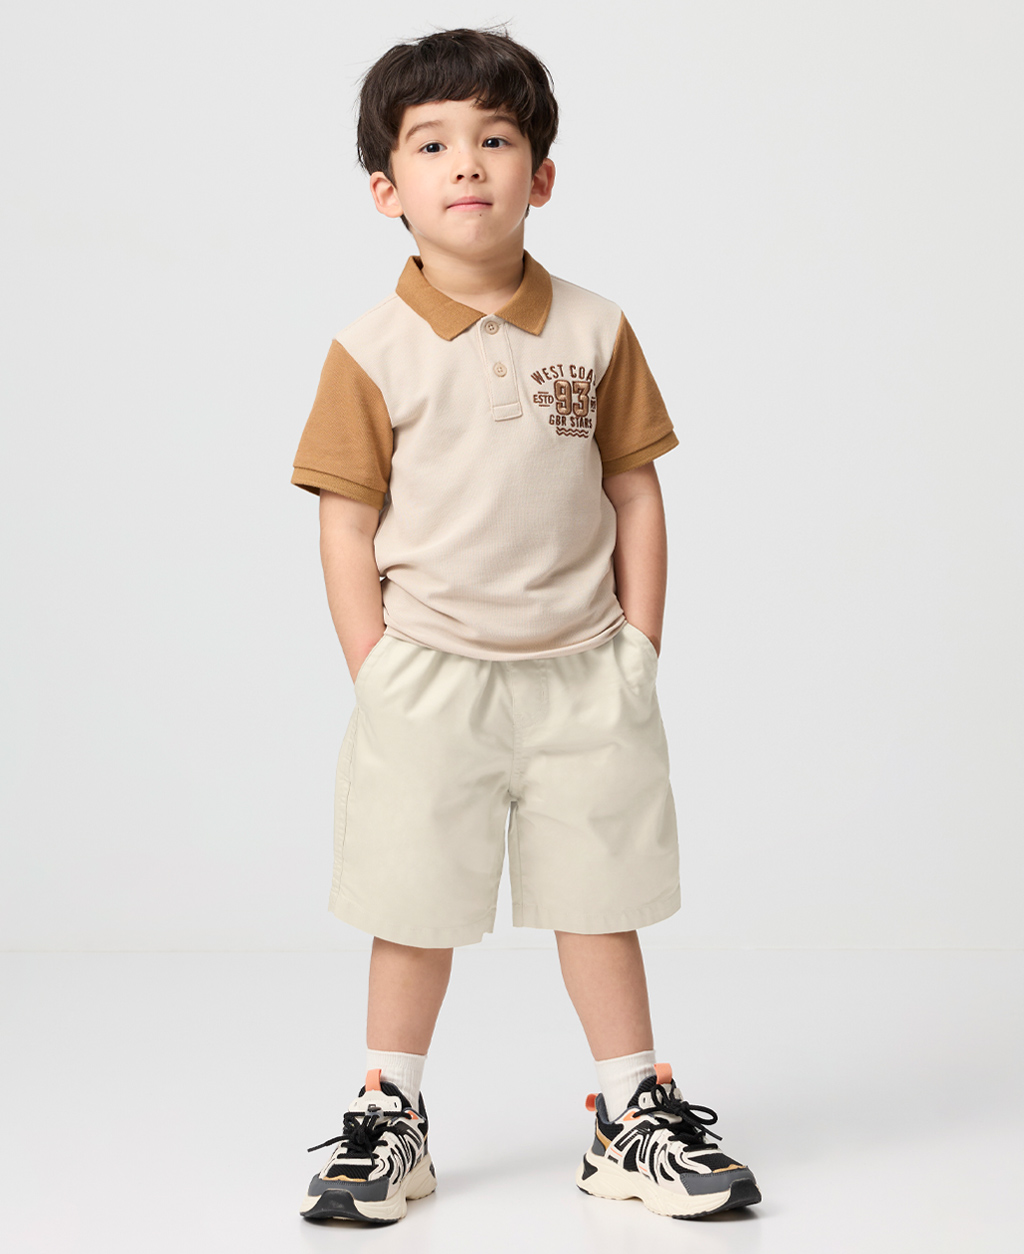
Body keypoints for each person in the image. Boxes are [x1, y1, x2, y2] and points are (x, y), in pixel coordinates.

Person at [290, 25, 760, 1226]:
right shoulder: (368, 350)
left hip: (584, 671)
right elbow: (346, 522)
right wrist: (375, 667)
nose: (467, 163)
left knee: (599, 896)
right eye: (432, 143)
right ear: (386, 191)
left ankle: (629, 1112)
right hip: (429, 678)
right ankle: (390, 1113)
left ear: (539, 176)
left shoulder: (596, 330)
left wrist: (639, 645)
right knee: (414, 903)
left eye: (495, 139)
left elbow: (634, 490)